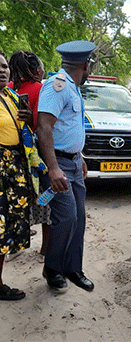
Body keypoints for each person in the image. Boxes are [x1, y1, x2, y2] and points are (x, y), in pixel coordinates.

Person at [37, 40, 96, 292]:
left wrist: (78, 155)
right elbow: (44, 127)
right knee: (66, 217)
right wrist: (53, 169)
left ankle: (72, 268)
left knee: (79, 218)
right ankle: (52, 268)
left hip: (72, 162)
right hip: (58, 164)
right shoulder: (57, 85)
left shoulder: (73, 87)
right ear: (85, 64)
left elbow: (67, 127)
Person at [0, 50, 44, 300]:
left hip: (13, 170)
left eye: (5, 66)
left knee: (5, 230)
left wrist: (27, 119)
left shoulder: (11, 96)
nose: (2, 70)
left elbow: (25, 130)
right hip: (2, 170)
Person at [8, 50, 50, 260]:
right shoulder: (40, 89)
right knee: (45, 201)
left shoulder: (6, 90)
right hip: (36, 158)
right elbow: (41, 125)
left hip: (12, 159)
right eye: (41, 67)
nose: (42, 71)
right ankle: (45, 248)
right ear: (35, 69)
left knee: (16, 204)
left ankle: (12, 248)